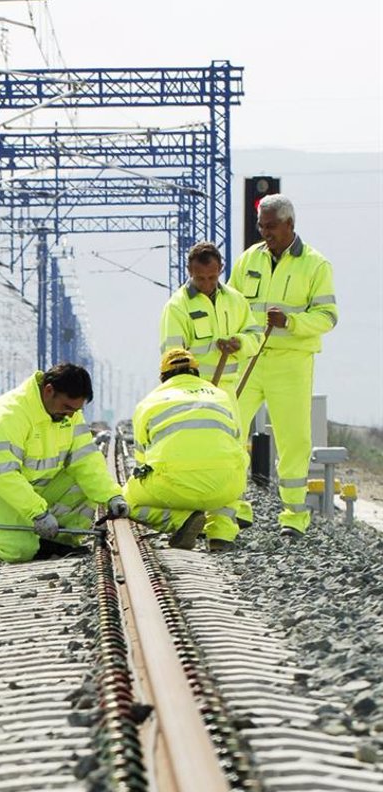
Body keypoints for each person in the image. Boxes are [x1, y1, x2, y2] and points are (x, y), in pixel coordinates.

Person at [228, 195, 338, 535]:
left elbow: (328, 317)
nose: (265, 232)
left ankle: (293, 516)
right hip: (249, 360)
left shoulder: (315, 265)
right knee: (229, 429)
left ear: (290, 224)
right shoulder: (248, 260)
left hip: (291, 363)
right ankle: (233, 505)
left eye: (271, 226)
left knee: (294, 439)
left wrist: (290, 322)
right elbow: (230, 303)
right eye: (261, 225)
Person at [0, 363, 126, 564]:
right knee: (17, 550)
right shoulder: (9, 415)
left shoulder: (67, 414)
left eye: (76, 410)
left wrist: (112, 496)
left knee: (83, 486)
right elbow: (5, 477)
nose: (71, 415)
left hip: (33, 488)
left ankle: (55, 542)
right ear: (48, 391)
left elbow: (86, 461)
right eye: (67, 408)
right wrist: (38, 513)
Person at [121, 349, 247, 551]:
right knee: (232, 467)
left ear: (163, 377)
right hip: (226, 486)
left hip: (174, 486)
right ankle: (220, 535)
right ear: (196, 373)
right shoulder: (222, 396)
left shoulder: (149, 402)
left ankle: (181, 520)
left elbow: (141, 460)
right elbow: (237, 442)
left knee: (126, 499)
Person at [160, 241, 251, 397]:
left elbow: (255, 334)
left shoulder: (236, 300)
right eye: (200, 278)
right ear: (189, 271)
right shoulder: (177, 306)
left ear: (221, 269)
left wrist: (240, 343)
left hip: (228, 391)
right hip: (193, 391)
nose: (207, 284)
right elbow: (173, 354)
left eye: (212, 277)